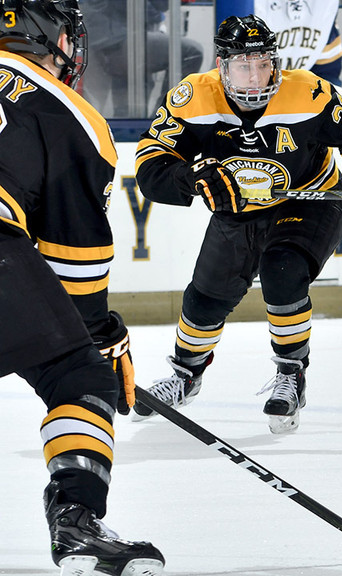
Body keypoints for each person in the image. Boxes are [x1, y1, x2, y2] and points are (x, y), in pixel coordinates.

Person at [132, 14, 342, 433]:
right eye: (243, 64)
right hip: (237, 212)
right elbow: (151, 166)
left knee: (283, 270)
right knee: (203, 300)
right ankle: (186, 374)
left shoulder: (307, 93)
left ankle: (291, 373)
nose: (255, 76)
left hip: (309, 202)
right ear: (222, 65)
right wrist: (195, 178)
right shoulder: (192, 97)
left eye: (263, 63)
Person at [0, 0, 164, 573]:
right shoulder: (64, 108)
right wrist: (97, 336)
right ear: (54, 38)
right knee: (75, 374)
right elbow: (76, 264)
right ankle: (75, 523)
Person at [79, 0, 204, 117]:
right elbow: (153, 6)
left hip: (112, 36)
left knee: (131, 101)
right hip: (114, 39)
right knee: (192, 52)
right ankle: (165, 119)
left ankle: (136, 126)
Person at [253, 0, 342, 89]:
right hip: (258, 90)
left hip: (301, 89)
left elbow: (328, 73)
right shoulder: (248, 5)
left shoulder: (324, 5)